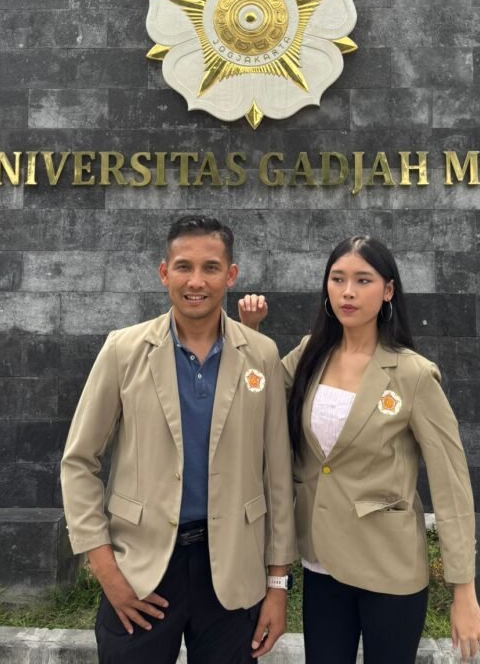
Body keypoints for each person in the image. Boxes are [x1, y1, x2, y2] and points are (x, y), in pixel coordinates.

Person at [238, 235, 480, 664]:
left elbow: (451, 485)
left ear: (388, 290)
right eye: (337, 279)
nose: (348, 292)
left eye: (362, 280)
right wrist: (250, 333)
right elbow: (254, 400)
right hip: (322, 564)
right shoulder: (309, 354)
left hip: (390, 568)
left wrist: (463, 590)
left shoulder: (412, 374)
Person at [61, 215, 296, 664]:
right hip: (141, 568)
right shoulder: (124, 350)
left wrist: (277, 584)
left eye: (211, 268)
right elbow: (79, 461)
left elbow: (278, 476)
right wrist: (106, 570)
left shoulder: (261, 354)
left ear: (231, 275)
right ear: (164, 272)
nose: (196, 281)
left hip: (232, 571)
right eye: (184, 266)